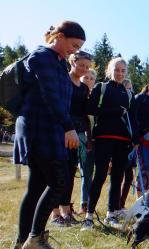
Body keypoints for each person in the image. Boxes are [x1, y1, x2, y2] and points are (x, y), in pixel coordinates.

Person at [12, 21, 86, 249]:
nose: (74, 50)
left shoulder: (58, 62)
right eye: (73, 45)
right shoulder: (42, 57)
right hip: (39, 129)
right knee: (58, 182)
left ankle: (22, 242)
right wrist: (68, 127)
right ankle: (35, 238)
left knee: (36, 188)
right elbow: (50, 96)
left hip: (47, 130)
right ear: (60, 36)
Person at [82, 57, 138, 230]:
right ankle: (89, 216)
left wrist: (134, 139)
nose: (120, 73)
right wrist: (112, 112)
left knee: (117, 178)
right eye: (117, 70)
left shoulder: (128, 94)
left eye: (123, 70)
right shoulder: (101, 87)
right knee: (99, 176)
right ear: (109, 70)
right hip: (104, 138)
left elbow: (133, 118)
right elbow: (90, 109)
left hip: (123, 142)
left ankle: (111, 214)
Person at [50, 50, 93, 227]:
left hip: (77, 135)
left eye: (87, 67)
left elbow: (85, 114)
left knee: (69, 173)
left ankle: (66, 212)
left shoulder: (83, 88)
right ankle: (54, 215)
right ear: (72, 62)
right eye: (81, 65)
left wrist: (89, 136)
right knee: (57, 173)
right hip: (60, 132)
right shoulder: (62, 81)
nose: (84, 69)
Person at [78, 68, 97, 215]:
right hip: (81, 139)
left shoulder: (96, 98)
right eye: (86, 77)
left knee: (90, 174)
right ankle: (83, 205)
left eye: (91, 78)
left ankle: (89, 204)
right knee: (85, 173)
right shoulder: (78, 96)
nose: (89, 80)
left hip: (96, 141)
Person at [119, 78, 135, 209]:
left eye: (131, 89)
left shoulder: (132, 105)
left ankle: (121, 204)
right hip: (120, 144)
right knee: (118, 176)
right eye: (127, 88)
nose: (129, 91)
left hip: (131, 145)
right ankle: (114, 205)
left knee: (129, 176)